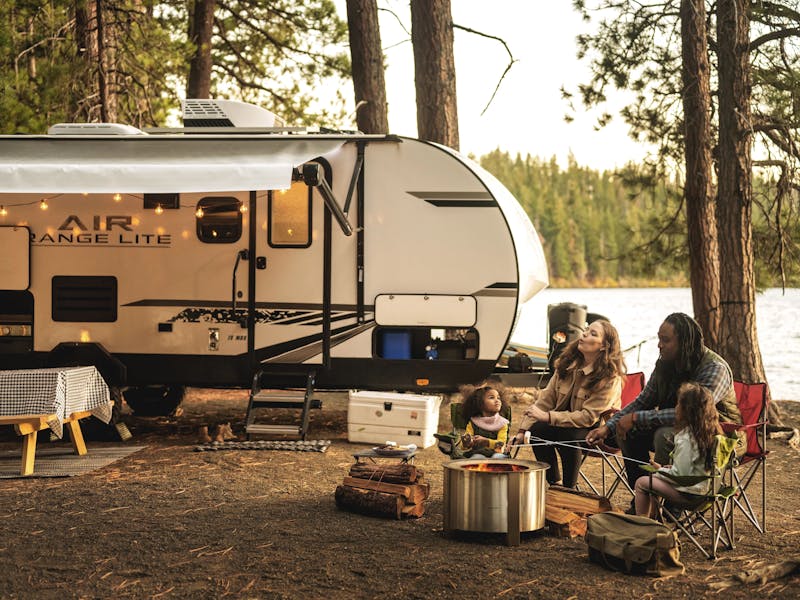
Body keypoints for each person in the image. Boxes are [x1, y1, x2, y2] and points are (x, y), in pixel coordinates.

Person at [585, 312, 743, 503]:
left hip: (717, 435)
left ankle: (670, 505)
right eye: (659, 339)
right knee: (627, 430)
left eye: (665, 340)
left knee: (664, 436)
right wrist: (609, 427)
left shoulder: (714, 368)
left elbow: (693, 413)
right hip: (680, 429)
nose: (659, 345)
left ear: (685, 342)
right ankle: (644, 495)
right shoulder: (664, 364)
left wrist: (636, 418)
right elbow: (642, 401)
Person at [512, 319, 626, 487]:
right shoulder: (566, 365)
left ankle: (569, 489)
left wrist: (548, 417)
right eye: (586, 330)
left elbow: (588, 417)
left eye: (593, 334)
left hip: (598, 431)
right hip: (564, 424)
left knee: (567, 435)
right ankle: (555, 483)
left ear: (604, 346)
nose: (584, 334)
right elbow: (545, 400)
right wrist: (523, 430)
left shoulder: (610, 377)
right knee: (537, 430)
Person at [634, 382, 722, 517]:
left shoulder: (687, 438)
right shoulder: (710, 434)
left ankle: (642, 524)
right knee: (655, 480)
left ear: (687, 410)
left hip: (689, 495)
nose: (676, 408)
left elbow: (678, 476)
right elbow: (692, 468)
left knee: (642, 483)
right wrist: (669, 469)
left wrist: (660, 470)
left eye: (678, 404)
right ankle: (653, 519)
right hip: (708, 490)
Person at [460, 385, 510, 458]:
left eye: (498, 398)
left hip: (497, 453)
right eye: (491, 397)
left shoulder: (502, 423)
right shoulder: (474, 422)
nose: (497, 400)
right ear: (480, 404)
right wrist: (467, 442)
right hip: (478, 453)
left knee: (497, 457)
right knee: (477, 457)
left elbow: (501, 445)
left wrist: (486, 442)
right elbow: (463, 447)